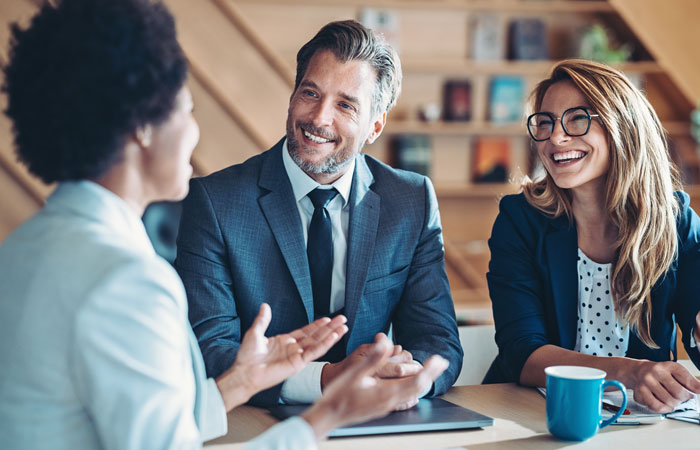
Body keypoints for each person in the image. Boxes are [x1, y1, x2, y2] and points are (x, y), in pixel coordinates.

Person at [0, 1, 448, 449]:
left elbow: (146, 424)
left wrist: (241, 381)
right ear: (143, 127)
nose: (193, 133)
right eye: (186, 109)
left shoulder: (19, 250)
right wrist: (329, 413)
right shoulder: (127, 281)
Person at [175, 19, 463, 407]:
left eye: (345, 105)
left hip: (377, 421)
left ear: (374, 126)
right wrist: (327, 380)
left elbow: (438, 339)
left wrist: (406, 378)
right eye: (310, 93)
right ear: (292, 95)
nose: (319, 118)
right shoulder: (215, 202)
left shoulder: (411, 200)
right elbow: (209, 349)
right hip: (254, 421)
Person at [485, 59, 700, 413]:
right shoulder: (520, 219)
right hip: (533, 412)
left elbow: (696, 313)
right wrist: (627, 372)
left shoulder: (674, 219)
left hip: (642, 419)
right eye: (546, 122)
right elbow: (522, 352)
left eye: (577, 119)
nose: (555, 138)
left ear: (623, 128)